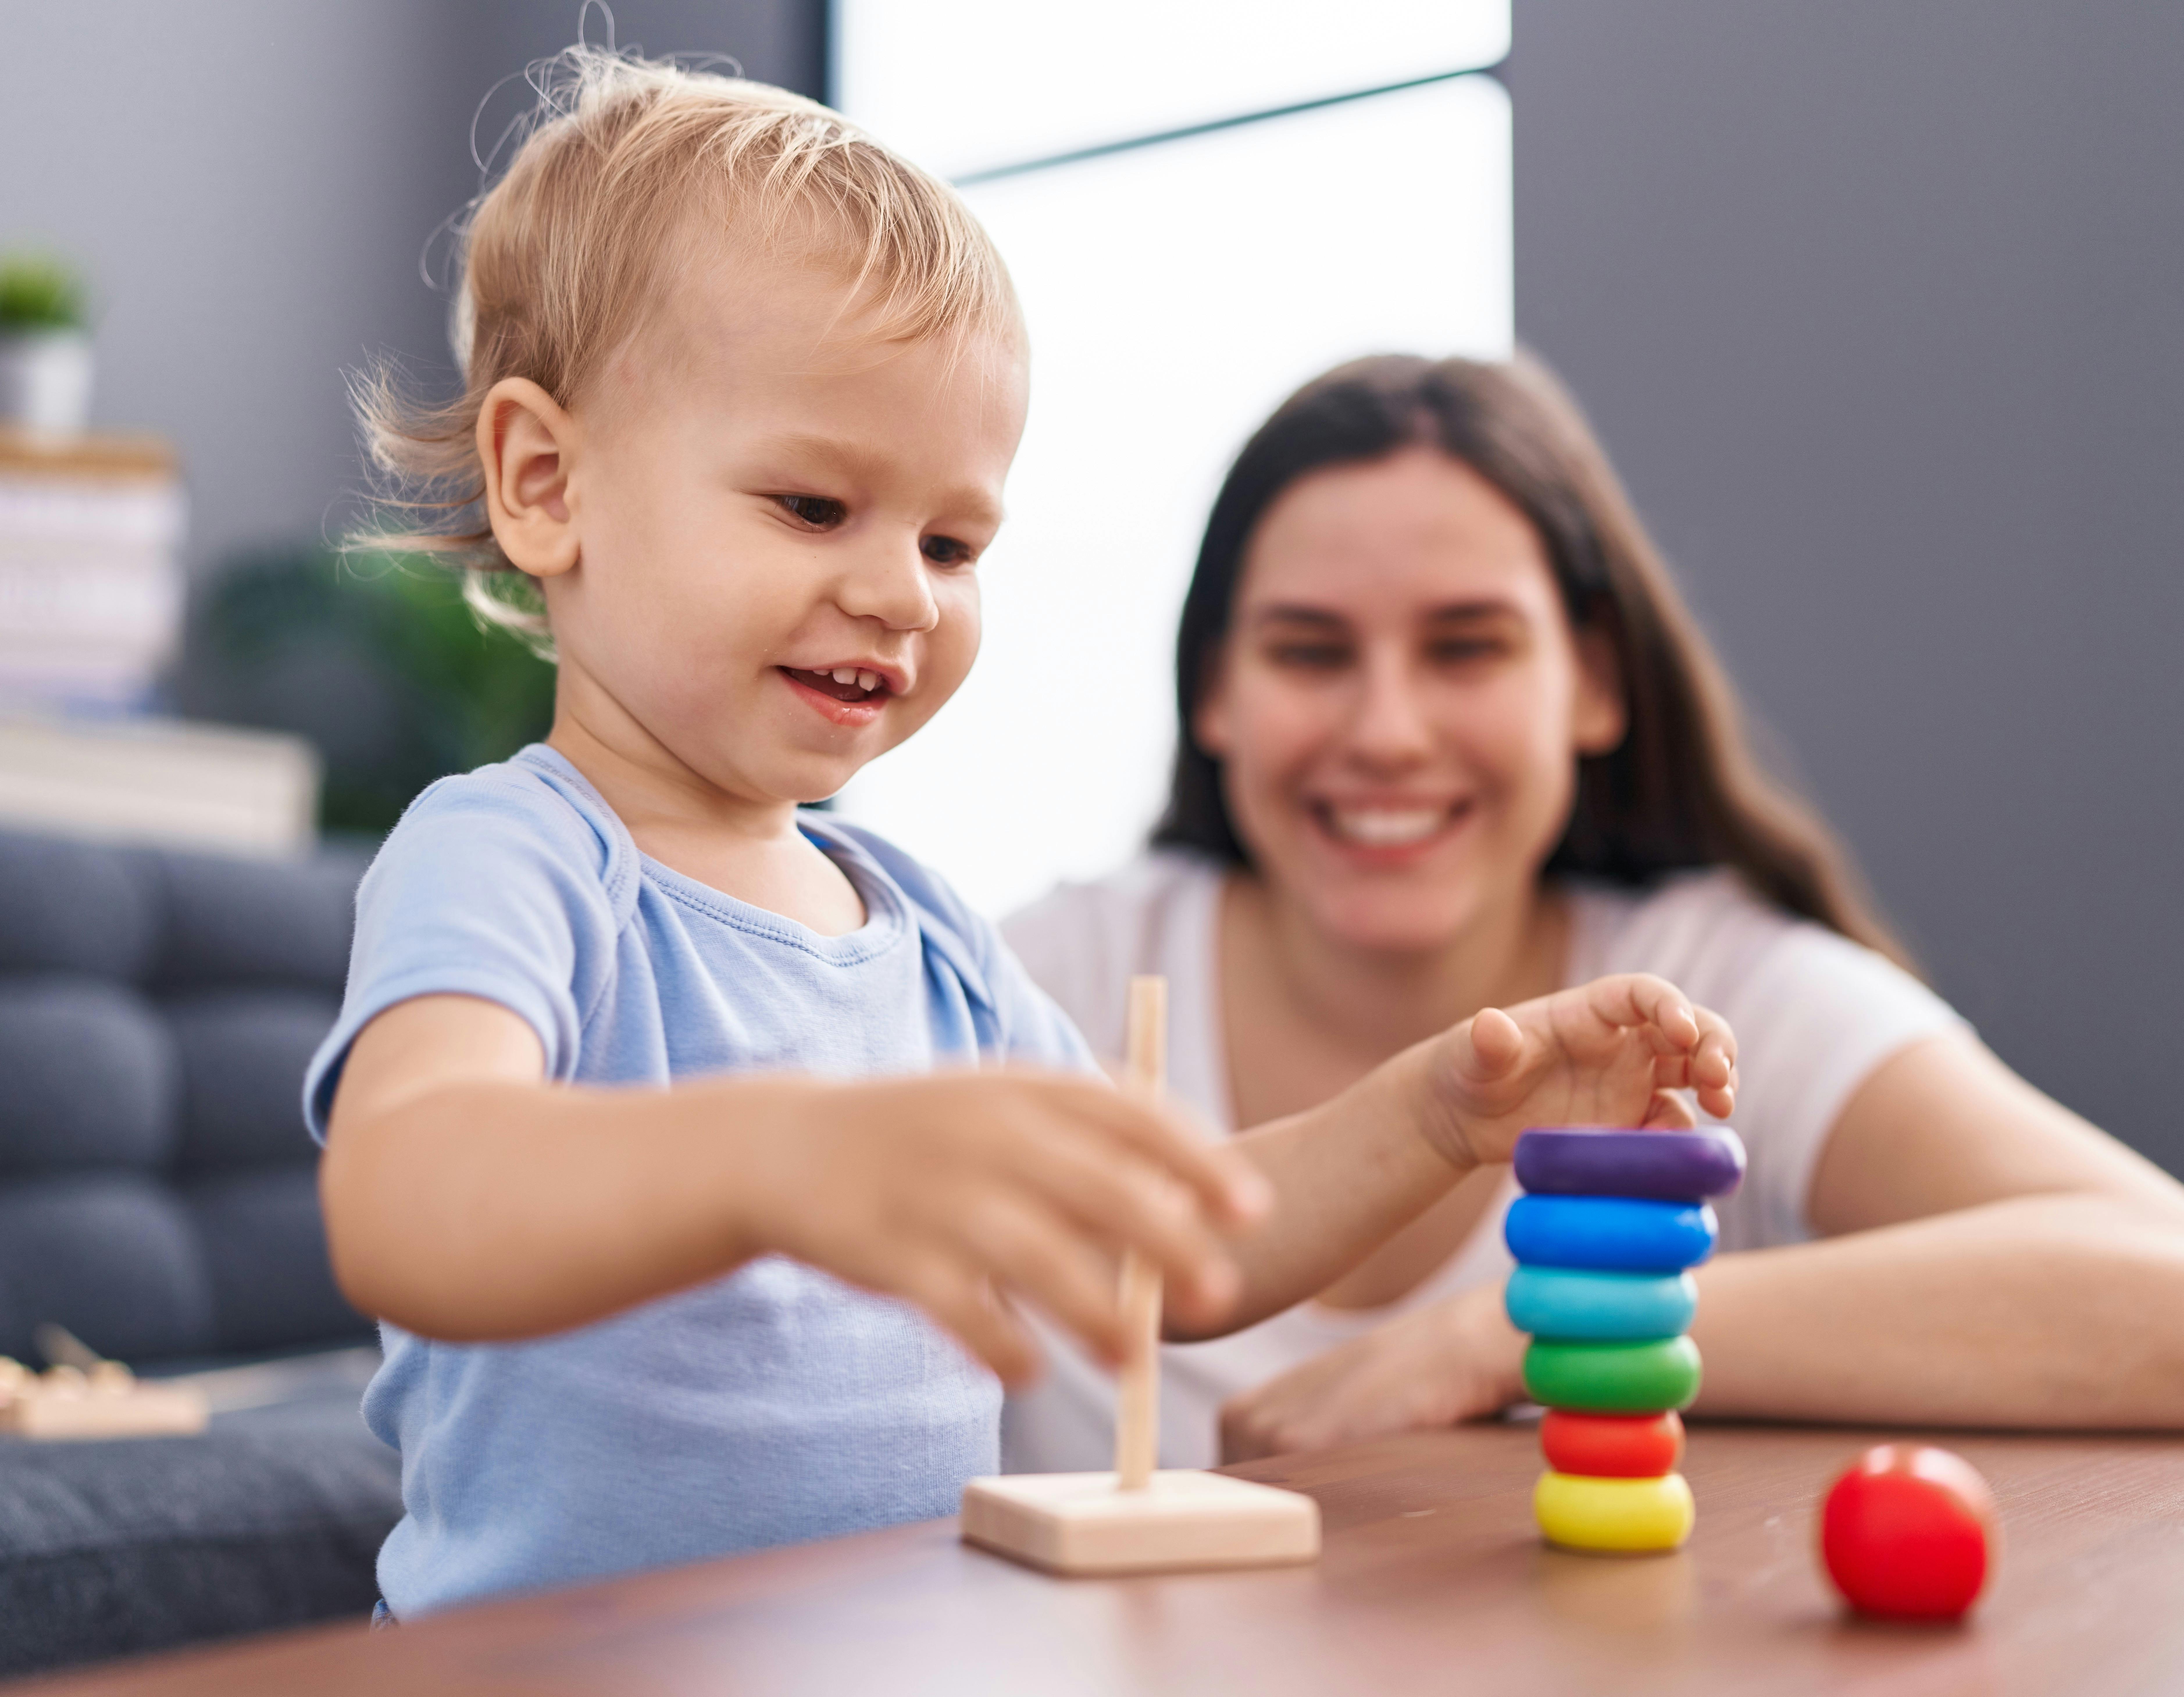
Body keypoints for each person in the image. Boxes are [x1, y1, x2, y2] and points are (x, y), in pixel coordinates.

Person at [311, 56, 1737, 1621]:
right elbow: (408, 1197)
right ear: (545, 482)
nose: (902, 593)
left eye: (950, 540)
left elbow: (1176, 1250)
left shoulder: (922, 932)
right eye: (809, 506)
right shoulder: (511, 858)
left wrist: (1441, 1116)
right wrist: (780, 1159)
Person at [1001, 351, 2184, 1475]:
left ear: (1597, 682)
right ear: (1214, 692)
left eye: (1468, 648)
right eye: (1310, 653)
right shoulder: (1047, 975)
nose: (1387, 732)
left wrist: (1525, 1332)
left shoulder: (1707, 994)